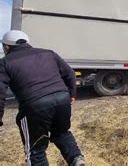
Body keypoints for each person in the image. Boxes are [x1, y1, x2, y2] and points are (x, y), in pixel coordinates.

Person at [0, 30, 84, 166]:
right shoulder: (48, 53)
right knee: (61, 133)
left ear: (6, 47)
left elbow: (0, 93)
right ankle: (76, 159)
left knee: (35, 149)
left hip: (34, 105)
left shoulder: (4, 63)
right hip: (62, 99)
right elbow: (70, 74)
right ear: (27, 42)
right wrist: (72, 94)